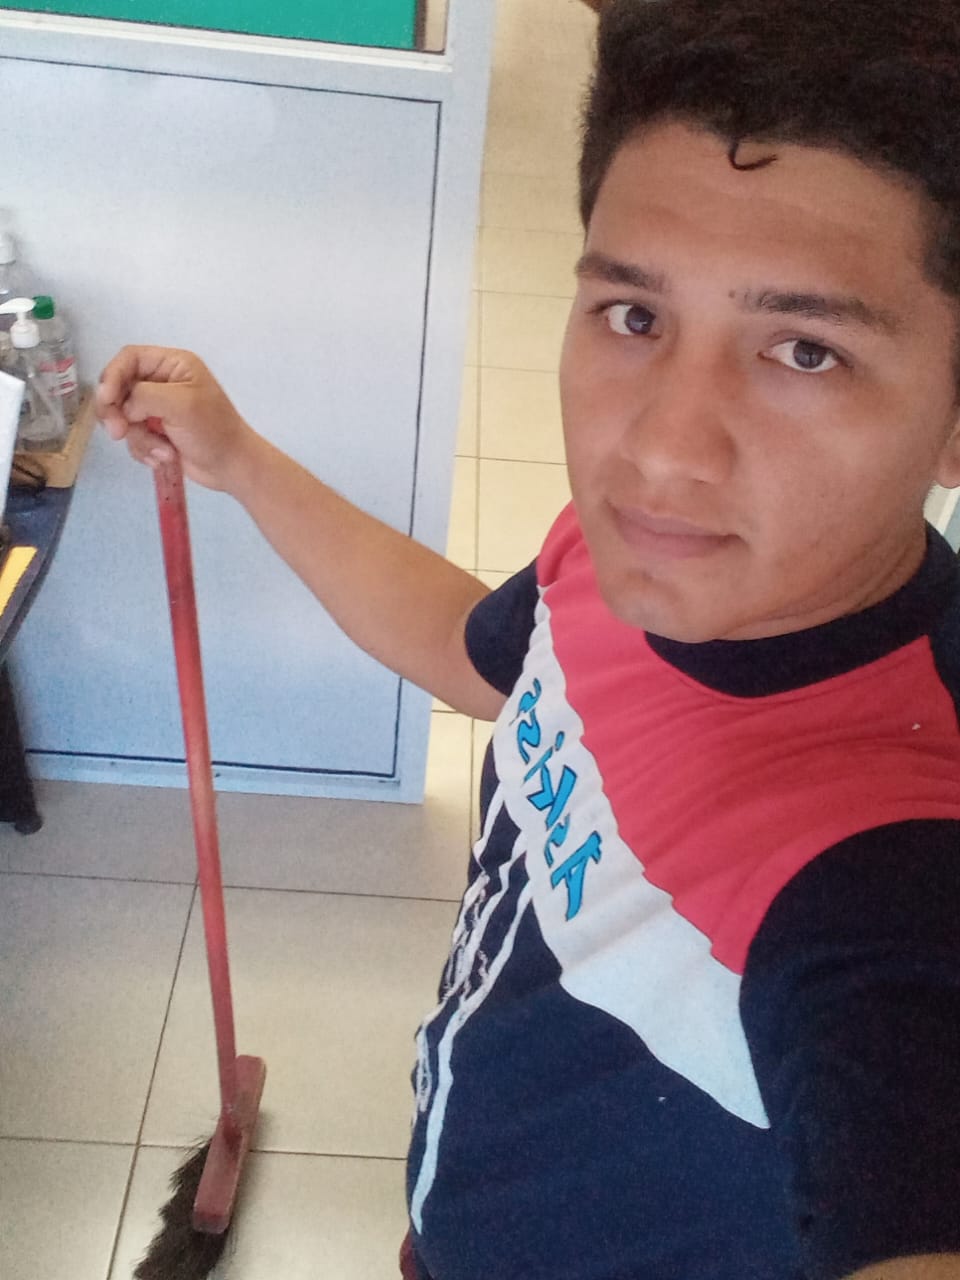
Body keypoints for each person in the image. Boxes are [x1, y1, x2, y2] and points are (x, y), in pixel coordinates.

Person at [97, 1, 960, 1276]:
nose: (661, 450)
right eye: (634, 316)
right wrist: (242, 461)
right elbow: (473, 650)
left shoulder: (887, 878)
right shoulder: (632, 562)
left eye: (804, 349)